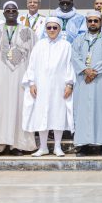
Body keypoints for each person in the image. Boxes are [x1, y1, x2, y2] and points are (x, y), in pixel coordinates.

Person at [0, 1, 37, 155]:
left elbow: (35, 58)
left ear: (18, 13)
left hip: (21, 81)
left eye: (14, 10)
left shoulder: (28, 32)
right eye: (8, 10)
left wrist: (32, 80)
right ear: (3, 13)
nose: (11, 12)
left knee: (19, 110)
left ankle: (18, 145)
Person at [23, 17, 75, 157]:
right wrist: (32, 83)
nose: (52, 30)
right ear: (45, 29)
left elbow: (70, 65)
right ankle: (43, 147)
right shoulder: (39, 45)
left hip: (59, 87)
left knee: (58, 115)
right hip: (41, 86)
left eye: (55, 27)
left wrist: (69, 84)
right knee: (42, 116)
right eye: (49, 27)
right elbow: (31, 65)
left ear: (59, 29)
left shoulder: (66, 45)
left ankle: (58, 146)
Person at [70, 10, 102, 156]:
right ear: (86, 22)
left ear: (101, 22)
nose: (93, 23)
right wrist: (85, 70)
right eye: (90, 21)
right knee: (82, 112)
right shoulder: (78, 40)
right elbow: (74, 57)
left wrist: (93, 72)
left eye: (96, 21)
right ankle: (83, 145)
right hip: (83, 81)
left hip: (101, 81)